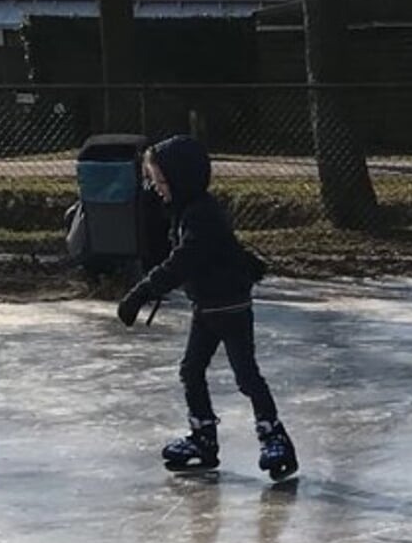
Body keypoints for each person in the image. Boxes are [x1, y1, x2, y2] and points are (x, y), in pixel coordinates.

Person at [117, 135, 297, 483]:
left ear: (182, 179)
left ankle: (274, 436)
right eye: (153, 181)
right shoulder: (187, 211)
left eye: (161, 181)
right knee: (191, 370)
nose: (156, 188)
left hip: (230, 306)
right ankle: (203, 438)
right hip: (206, 306)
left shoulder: (201, 215)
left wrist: (140, 293)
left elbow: (183, 261)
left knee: (246, 375)